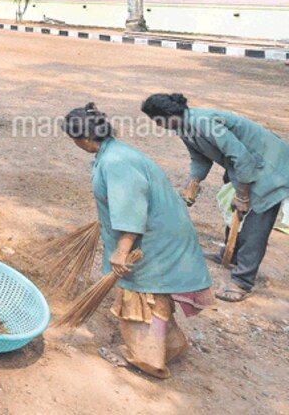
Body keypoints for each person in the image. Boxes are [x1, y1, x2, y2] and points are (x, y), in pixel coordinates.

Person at [64, 103, 213, 379]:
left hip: (155, 238)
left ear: (82, 139)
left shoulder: (115, 161)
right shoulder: (113, 152)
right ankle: (171, 345)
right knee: (152, 294)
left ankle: (147, 359)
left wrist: (122, 251)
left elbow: (132, 209)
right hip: (160, 231)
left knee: (140, 293)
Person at [141, 93, 289, 303]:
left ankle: (243, 281)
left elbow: (242, 158)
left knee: (256, 225)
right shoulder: (183, 126)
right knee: (234, 212)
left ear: (167, 115)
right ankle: (231, 254)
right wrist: (193, 181)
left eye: (156, 120)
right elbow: (199, 159)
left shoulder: (203, 123)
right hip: (246, 168)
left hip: (270, 168)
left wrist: (243, 195)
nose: (157, 125)